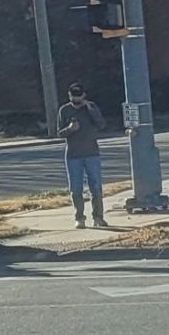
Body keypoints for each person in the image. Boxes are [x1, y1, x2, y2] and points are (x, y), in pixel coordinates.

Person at [58, 83, 108, 229]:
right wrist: (70, 129)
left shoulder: (91, 107)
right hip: (73, 155)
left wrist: (91, 110)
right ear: (69, 95)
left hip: (92, 153)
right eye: (73, 96)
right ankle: (79, 218)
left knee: (96, 187)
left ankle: (98, 217)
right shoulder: (64, 110)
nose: (76, 99)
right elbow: (59, 133)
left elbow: (101, 125)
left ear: (84, 95)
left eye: (79, 96)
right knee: (76, 189)